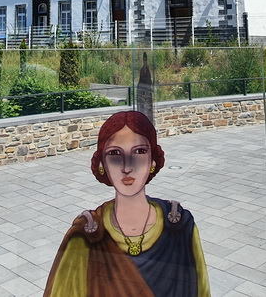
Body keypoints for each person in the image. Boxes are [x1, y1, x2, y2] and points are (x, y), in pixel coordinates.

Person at [44, 110, 210, 296]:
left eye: (139, 151)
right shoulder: (85, 236)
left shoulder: (181, 226)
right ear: (102, 164)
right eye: (115, 153)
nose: (127, 167)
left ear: (153, 161)